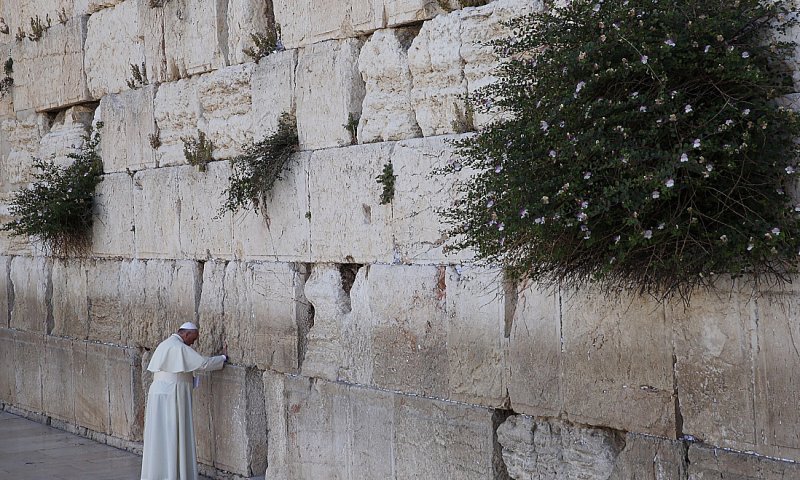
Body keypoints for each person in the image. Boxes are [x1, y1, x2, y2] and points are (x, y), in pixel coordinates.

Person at [140, 322, 227, 480]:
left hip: (158, 393)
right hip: (173, 393)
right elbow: (203, 364)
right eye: (193, 339)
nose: (193, 343)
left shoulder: (165, 344)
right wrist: (222, 358)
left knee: (159, 435)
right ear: (186, 334)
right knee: (174, 433)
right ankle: (174, 475)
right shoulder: (178, 347)